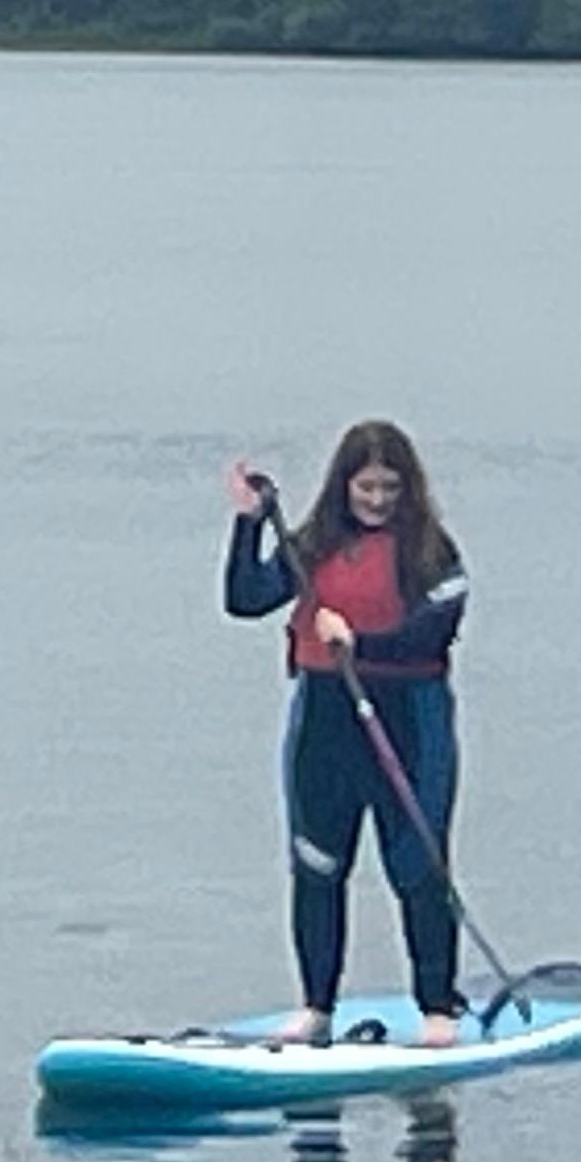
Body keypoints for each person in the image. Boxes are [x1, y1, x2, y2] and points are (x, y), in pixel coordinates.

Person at [223, 422, 470, 1048]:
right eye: (367, 488)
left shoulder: (433, 553)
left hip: (408, 722)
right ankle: (316, 1008)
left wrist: (359, 644)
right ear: (345, 486)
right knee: (317, 864)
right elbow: (246, 599)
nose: (378, 500)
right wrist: (250, 523)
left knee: (417, 866)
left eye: (390, 488)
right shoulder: (314, 544)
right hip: (326, 721)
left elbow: (433, 631)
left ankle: (438, 1010)